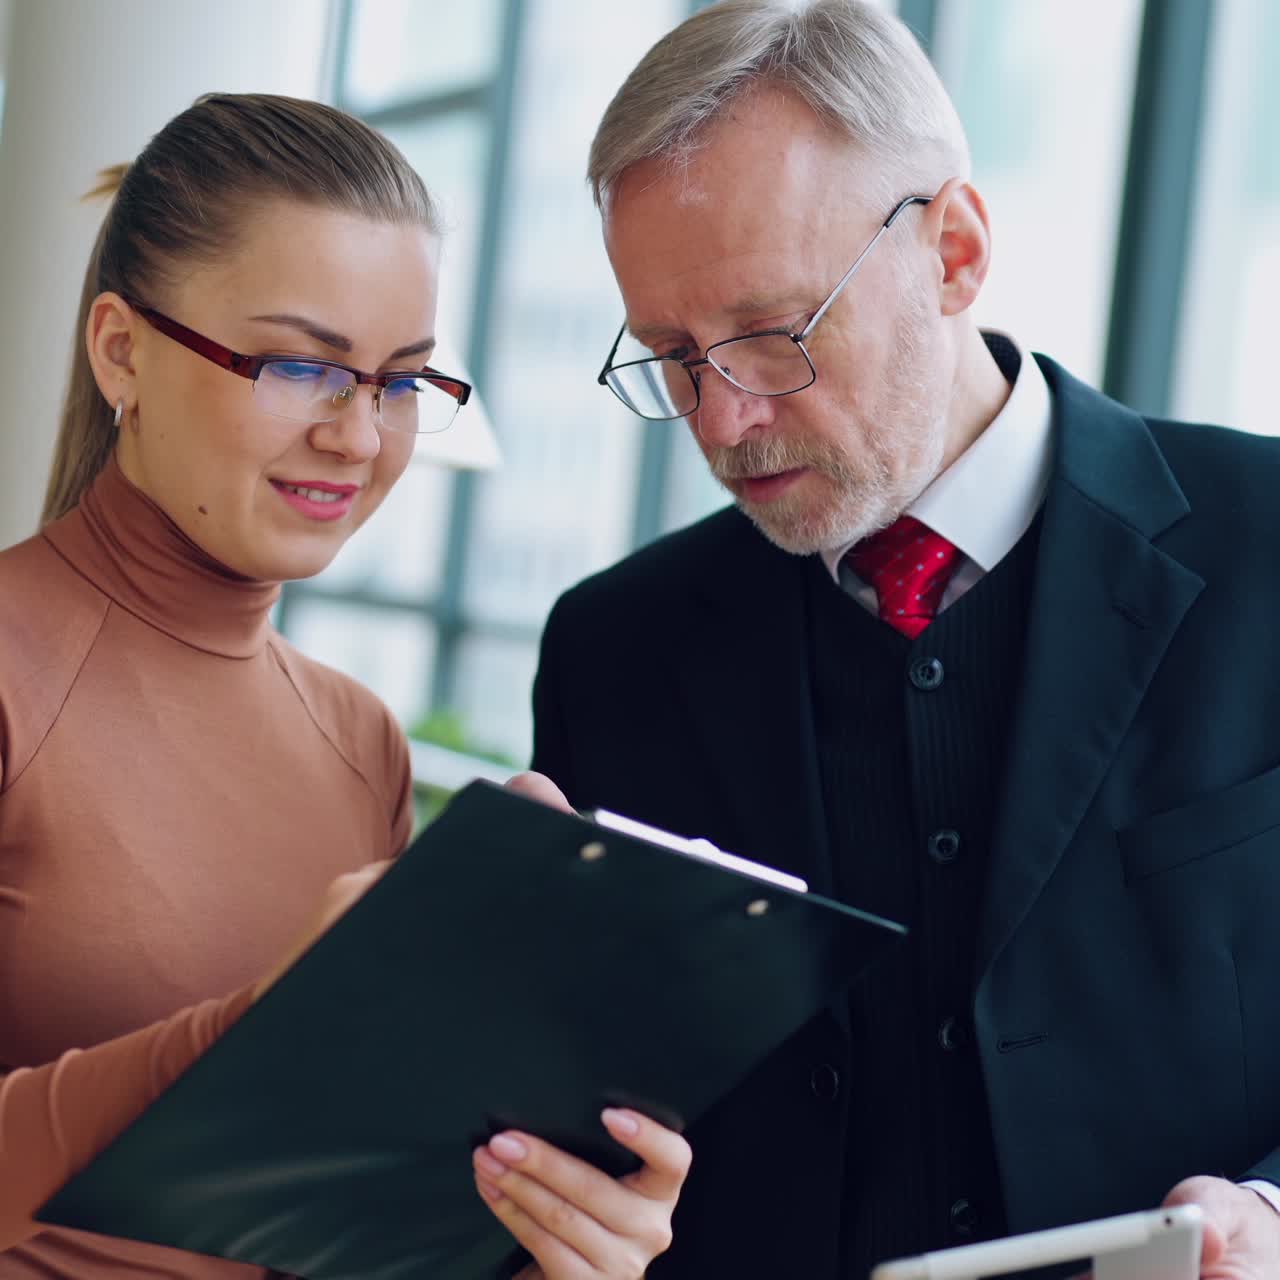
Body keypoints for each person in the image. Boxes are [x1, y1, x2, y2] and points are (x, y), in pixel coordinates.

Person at [526, 2, 1280, 1277]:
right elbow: (585, 1126)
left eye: (769, 333)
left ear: (954, 251)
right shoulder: (611, 647)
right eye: (668, 355)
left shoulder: (1266, 551)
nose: (721, 420)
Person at [0, 93, 688, 1279]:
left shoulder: (361, 740)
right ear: (122, 349)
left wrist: (545, 1238)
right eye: (302, 364)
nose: (359, 437)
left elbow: (335, 1225)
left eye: (401, 380)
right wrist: (254, 1025)